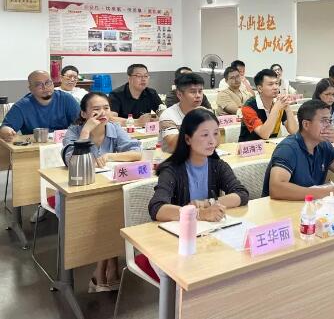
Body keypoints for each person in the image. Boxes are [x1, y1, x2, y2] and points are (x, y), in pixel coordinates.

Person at [62, 92, 141, 293]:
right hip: (80, 191)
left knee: (113, 209)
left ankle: (103, 269)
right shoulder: (74, 131)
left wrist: (111, 156)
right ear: (83, 113)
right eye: (96, 109)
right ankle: (109, 266)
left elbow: (137, 153)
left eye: (106, 108)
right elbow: (72, 162)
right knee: (106, 213)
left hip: (110, 188)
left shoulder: (114, 128)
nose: (102, 113)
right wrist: (85, 132)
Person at [149, 108, 249, 223]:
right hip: (182, 230)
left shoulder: (218, 166)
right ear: (188, 139)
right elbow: (157, 208)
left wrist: (208, 203)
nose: (212, 141)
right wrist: (199, 214)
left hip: (210, 229)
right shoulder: (172, 170)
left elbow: (242, 194)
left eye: (215, 133)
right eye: (205, 135)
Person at [262, 99, 334, 200]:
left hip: (310, 204)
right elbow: (277, 189)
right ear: (306, 124)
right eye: (324, 121)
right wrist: (324, 193)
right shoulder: (288, 148)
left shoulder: (324, 145)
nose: (329, 126)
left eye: (329, 121)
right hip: (281, 206)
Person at [0, 70, 79, 142]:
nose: (45, 87)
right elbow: (5, 128)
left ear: (53, 83)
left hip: (63, 145)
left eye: (48, 83)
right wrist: (6, 131)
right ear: (31, 89)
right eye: (38, 85)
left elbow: (81, 122)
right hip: (35, 146)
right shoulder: (22, 106)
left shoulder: (66, 99)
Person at [238, 69, 298, 142]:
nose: (275, 87)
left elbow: (294, 132)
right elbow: (264, 134)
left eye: (276, 83)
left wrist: (287, 108)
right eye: (270, 84)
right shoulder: (248, 107)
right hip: (250, 147)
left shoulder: (278, 103)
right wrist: (276, 108)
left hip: (270, 145)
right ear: (260, 88)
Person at [159, 73, 209, 152]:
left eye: (200, 91)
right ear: (179, 94)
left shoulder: (205, 112)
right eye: (193, 92)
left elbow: (216, 140)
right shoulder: (168, 115)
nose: (198, 95)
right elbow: (175, 145)